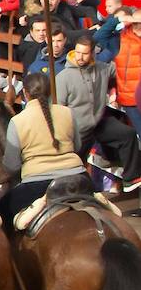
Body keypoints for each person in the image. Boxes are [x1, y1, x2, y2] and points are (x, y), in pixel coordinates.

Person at [0, 72, 88, 228]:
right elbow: (78, 146)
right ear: (50, 91)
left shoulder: (18, 121)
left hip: (37, 185)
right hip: (78, 178)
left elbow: (11, 166)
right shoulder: (67, 112)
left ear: (24, 92)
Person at [57, 31, 141, 192]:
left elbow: (124, 67)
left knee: (127, 134)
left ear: (93, 53)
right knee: (74, 166)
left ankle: (130, 178)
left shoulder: (103, 68)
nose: (80, 57)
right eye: (78, 52)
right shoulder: (64, 77)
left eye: (84, 54)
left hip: (98, 122)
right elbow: (59, 109)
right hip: (77, 129)